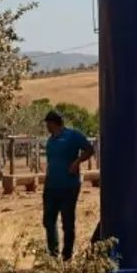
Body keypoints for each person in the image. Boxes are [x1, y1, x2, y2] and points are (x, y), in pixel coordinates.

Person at [43, 110, 94, 262]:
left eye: (48, 124)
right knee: (48, 221)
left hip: (69, 186)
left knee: (67, 222)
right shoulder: (50, 140)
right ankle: (53, 255)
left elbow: (89, 149)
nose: (47, 127)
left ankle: (67, 255)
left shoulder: (72, 136)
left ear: (54, 123)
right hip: (51, 186)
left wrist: (77, 162)